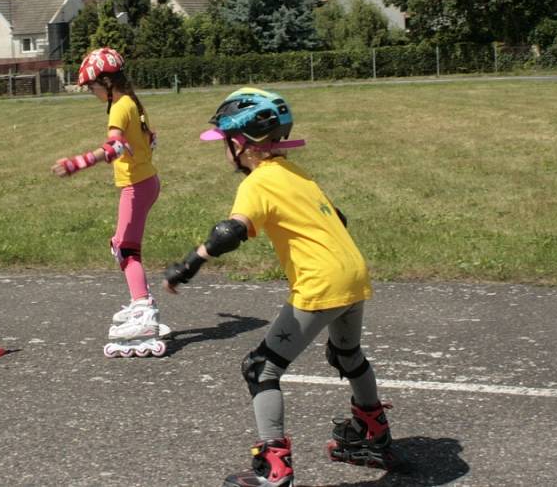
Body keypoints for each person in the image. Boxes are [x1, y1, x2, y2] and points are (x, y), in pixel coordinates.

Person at [163, 88, 405, 486]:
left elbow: (230, 230)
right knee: (347, 355)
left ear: (242, 143)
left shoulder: (258, 182)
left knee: (260, 368)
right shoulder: (297, 173)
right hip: (353, 272)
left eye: (226, 143)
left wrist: (188, 265)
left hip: (321, 282)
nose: (224, 151)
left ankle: (273, 470)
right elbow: (338, 219)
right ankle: (372, 436)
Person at [52, 47, 167, 358]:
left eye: (92, 86)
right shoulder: (131, 102)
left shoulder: (119, 106)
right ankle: (139, 301)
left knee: (125, 249)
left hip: (137, 186)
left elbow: (116, 146)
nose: (91, 92)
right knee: (123, 245)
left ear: (105, 81)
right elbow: (148, 139)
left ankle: (142, 310)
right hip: (146, 182)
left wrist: (77, 163)